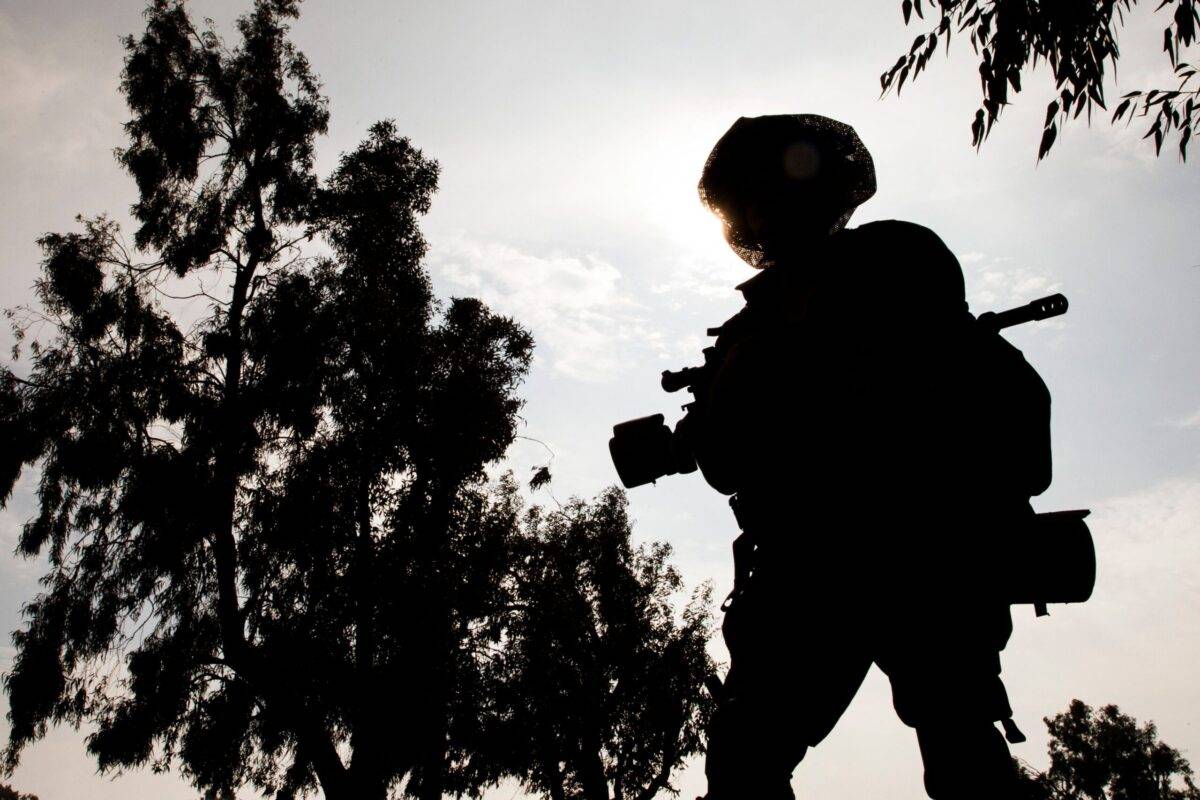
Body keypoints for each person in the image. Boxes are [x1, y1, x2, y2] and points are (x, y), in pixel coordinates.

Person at [690, 115, 1052, 800]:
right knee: (963, 746)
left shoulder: (773, 316)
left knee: (747, 762)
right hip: (940, 557)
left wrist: (716, 407)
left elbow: (726, 460)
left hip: (828, 564)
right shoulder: (908, 257)